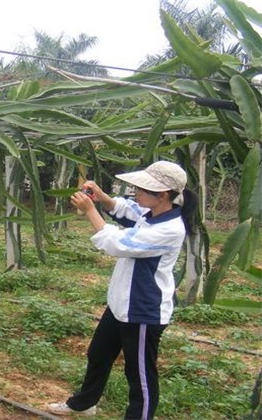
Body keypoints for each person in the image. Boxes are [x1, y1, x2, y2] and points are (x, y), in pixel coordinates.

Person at [48, 161, 198, 419]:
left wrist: (90, 210)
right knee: (98, 354)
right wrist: (102, 197)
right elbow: (127, 210)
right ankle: (84, 404)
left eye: (140, 188)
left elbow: (117, 243)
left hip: (142, 311)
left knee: (139, 375)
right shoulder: (152, 214)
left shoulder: (169, 229)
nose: (134, 191)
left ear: (161, 195)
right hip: (121, 304)